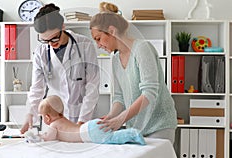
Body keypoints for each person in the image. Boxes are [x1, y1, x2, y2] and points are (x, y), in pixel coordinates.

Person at [89, 12, 177, 144]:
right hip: (135, 127)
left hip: (159, 124)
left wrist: (120, 119)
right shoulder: (115, 59)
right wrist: (111, 117)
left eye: (98, 38)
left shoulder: (142, 49)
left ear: (111, 31)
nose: (98, 45)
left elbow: (149, 92)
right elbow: (119, 97)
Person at [21, 4, 100, 134]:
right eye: (45, 40)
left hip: (82, 113)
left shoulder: (84, 45)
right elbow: (37, 89)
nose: (51, 43)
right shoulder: (40, 53)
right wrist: (29, 114)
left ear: (63, 26)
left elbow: (92, 85)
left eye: (54, 38)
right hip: (53, 116)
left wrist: (82, 121)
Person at [31, 95, 145, 145]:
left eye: (41, 116)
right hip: (89, 126)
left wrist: (38, 137)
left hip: (88, 133)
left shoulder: (54, 125)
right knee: (110, 134)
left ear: (47, 117)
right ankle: (129, 136)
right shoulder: (63, 119)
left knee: (111, 138)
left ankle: (131, 134)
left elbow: (48, 137)